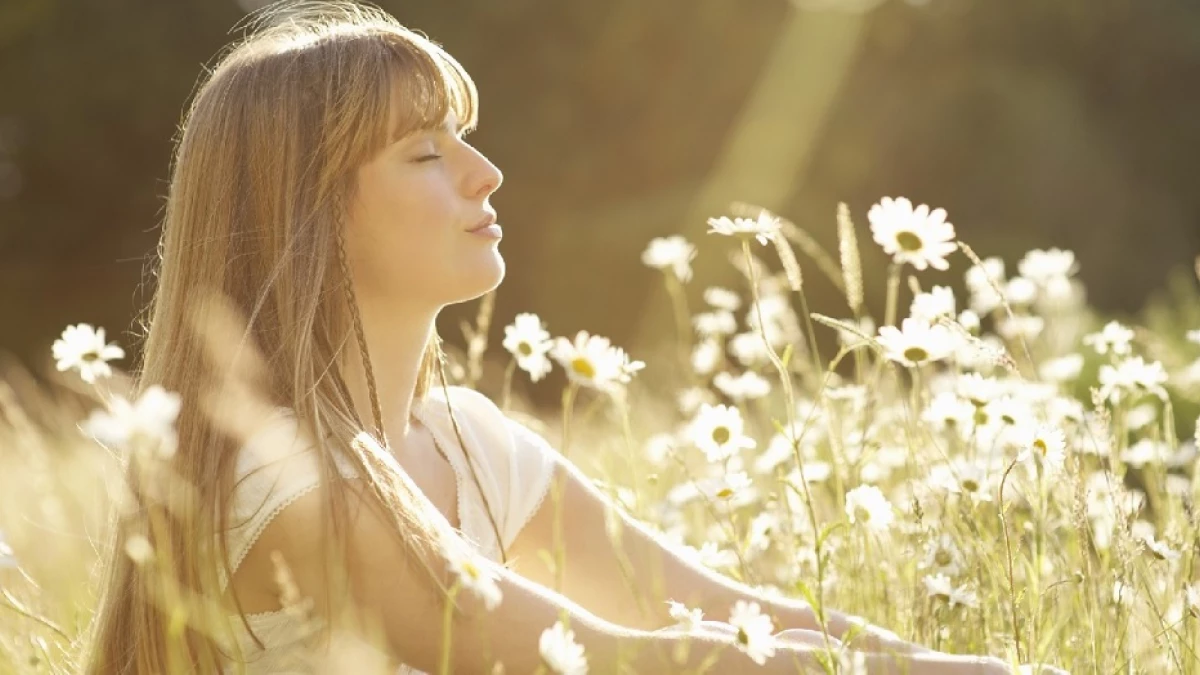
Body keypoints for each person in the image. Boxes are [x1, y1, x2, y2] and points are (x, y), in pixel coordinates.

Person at [79, 2, 1030, 673]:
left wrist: (960, 665)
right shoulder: (284, 485)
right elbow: (620, 659)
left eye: (466, 138)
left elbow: (732, 614)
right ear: (309, 215)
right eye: (425, 152)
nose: (486, 173)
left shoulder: (469, 443)